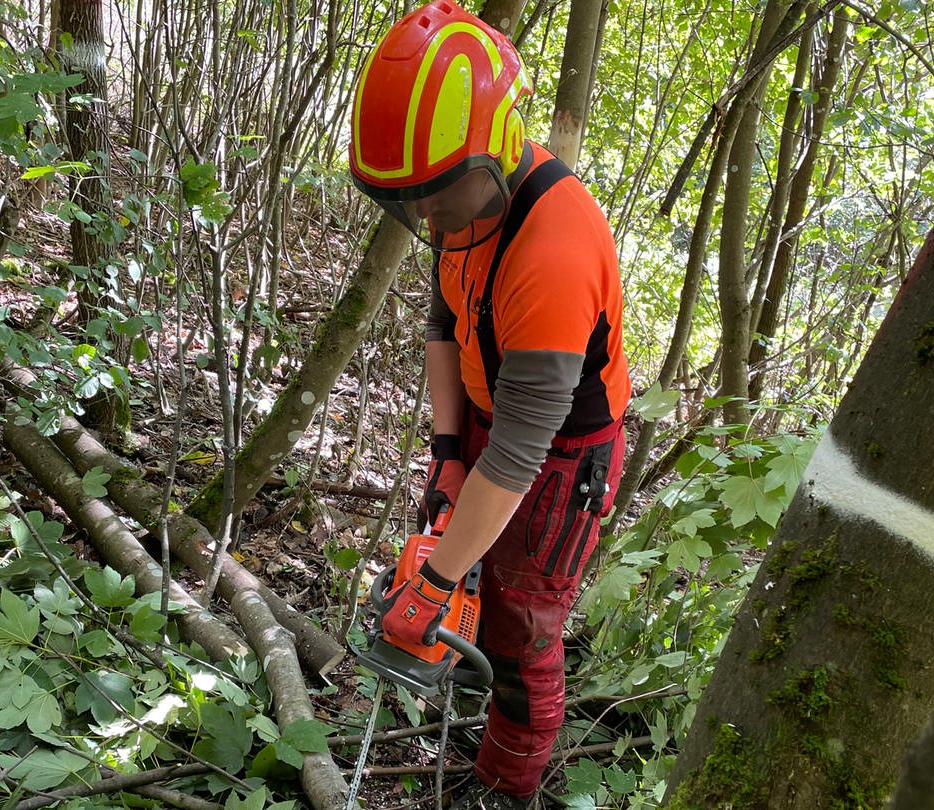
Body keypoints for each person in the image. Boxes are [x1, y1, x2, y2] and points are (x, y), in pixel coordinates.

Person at [349, 2, 630, 807]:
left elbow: (519, 453)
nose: (427, 215)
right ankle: (478, 691)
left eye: (436, 196)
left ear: (496, 150)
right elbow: (443, 317)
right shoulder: (459, 197)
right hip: (485, 413)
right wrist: (445, 454)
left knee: (522, 625)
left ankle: (509, 784)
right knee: (469, 570)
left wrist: (435, 582)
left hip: (561, 451)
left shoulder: (554, 251)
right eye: (415, 200)